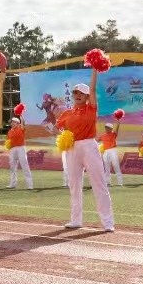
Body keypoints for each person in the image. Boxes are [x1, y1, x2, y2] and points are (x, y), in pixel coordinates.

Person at [56, 69, 115, 231]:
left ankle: (107, 222)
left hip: (89, 146)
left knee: (99, 183)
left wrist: (95, 70)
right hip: (72, 148)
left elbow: (94, 89)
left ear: (88, 96)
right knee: (74, 184)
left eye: (81, 93)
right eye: (75, 92)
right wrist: (63, 136)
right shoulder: (67, 113)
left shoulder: (91, 109)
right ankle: (76, 220)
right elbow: (57, 129)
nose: (77, 95)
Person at [6, 117, 33, 189]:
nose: (12, 123)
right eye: (11, 122)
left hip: (21, 148)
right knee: (12, 166)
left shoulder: (21, 128)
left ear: (18, 123)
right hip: (12, 149)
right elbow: (8, 141)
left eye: (14, 122)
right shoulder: (9, 131)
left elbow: (23, 122)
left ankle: (30, 185)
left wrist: (21, 115)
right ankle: (12, 184)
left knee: (24, 165)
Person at [100, 122, 122, 186]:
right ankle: (108, 182)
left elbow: (117, 129)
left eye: (108, 128)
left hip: (113, 150)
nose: (106, 129)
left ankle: (120, 182)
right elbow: (96, 141)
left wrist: (118, 123)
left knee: (116, 165)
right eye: (106, 127)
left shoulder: (113, 134)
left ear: (111, 129)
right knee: (106, 167)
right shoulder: (103, 135)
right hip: (105, 151)